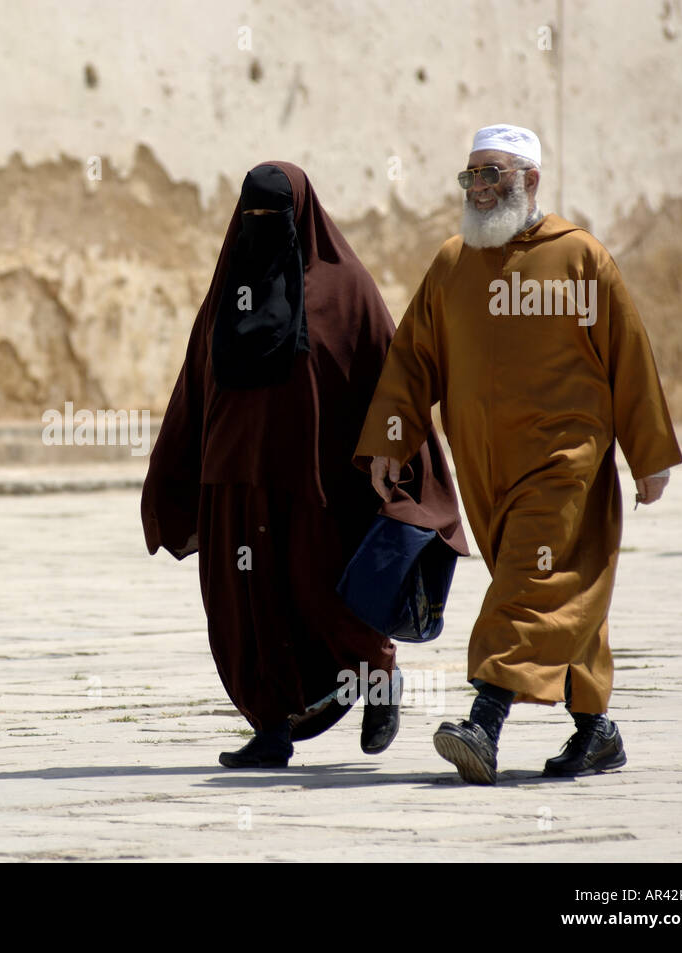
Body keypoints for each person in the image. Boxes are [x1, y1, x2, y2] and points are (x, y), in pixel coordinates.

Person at [354, 124, 682, 784]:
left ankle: (485, 719)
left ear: (530, 181)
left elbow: (630, 357)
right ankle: (595, 728)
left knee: (527, 585)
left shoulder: (581, 256)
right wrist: (394, 437)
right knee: (560, 585)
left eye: (492, 174)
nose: (478, 187)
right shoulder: (452, 264)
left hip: (566, 461)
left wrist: (649, 455)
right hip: (486, 469)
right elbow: (413, 359)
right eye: (470, 175)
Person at [142, 161, 467, 769]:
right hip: (232, 481)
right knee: (240, 609)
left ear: (303, 218)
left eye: (275, 216)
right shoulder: (228, 292)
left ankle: (379, 680)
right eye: (253, 215)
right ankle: (269, 728)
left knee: (322, 592)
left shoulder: (347, 291)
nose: (262, 227)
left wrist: (394, 458)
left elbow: (387, 378)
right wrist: (174, 472)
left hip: (313, 484)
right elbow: (195, 385)